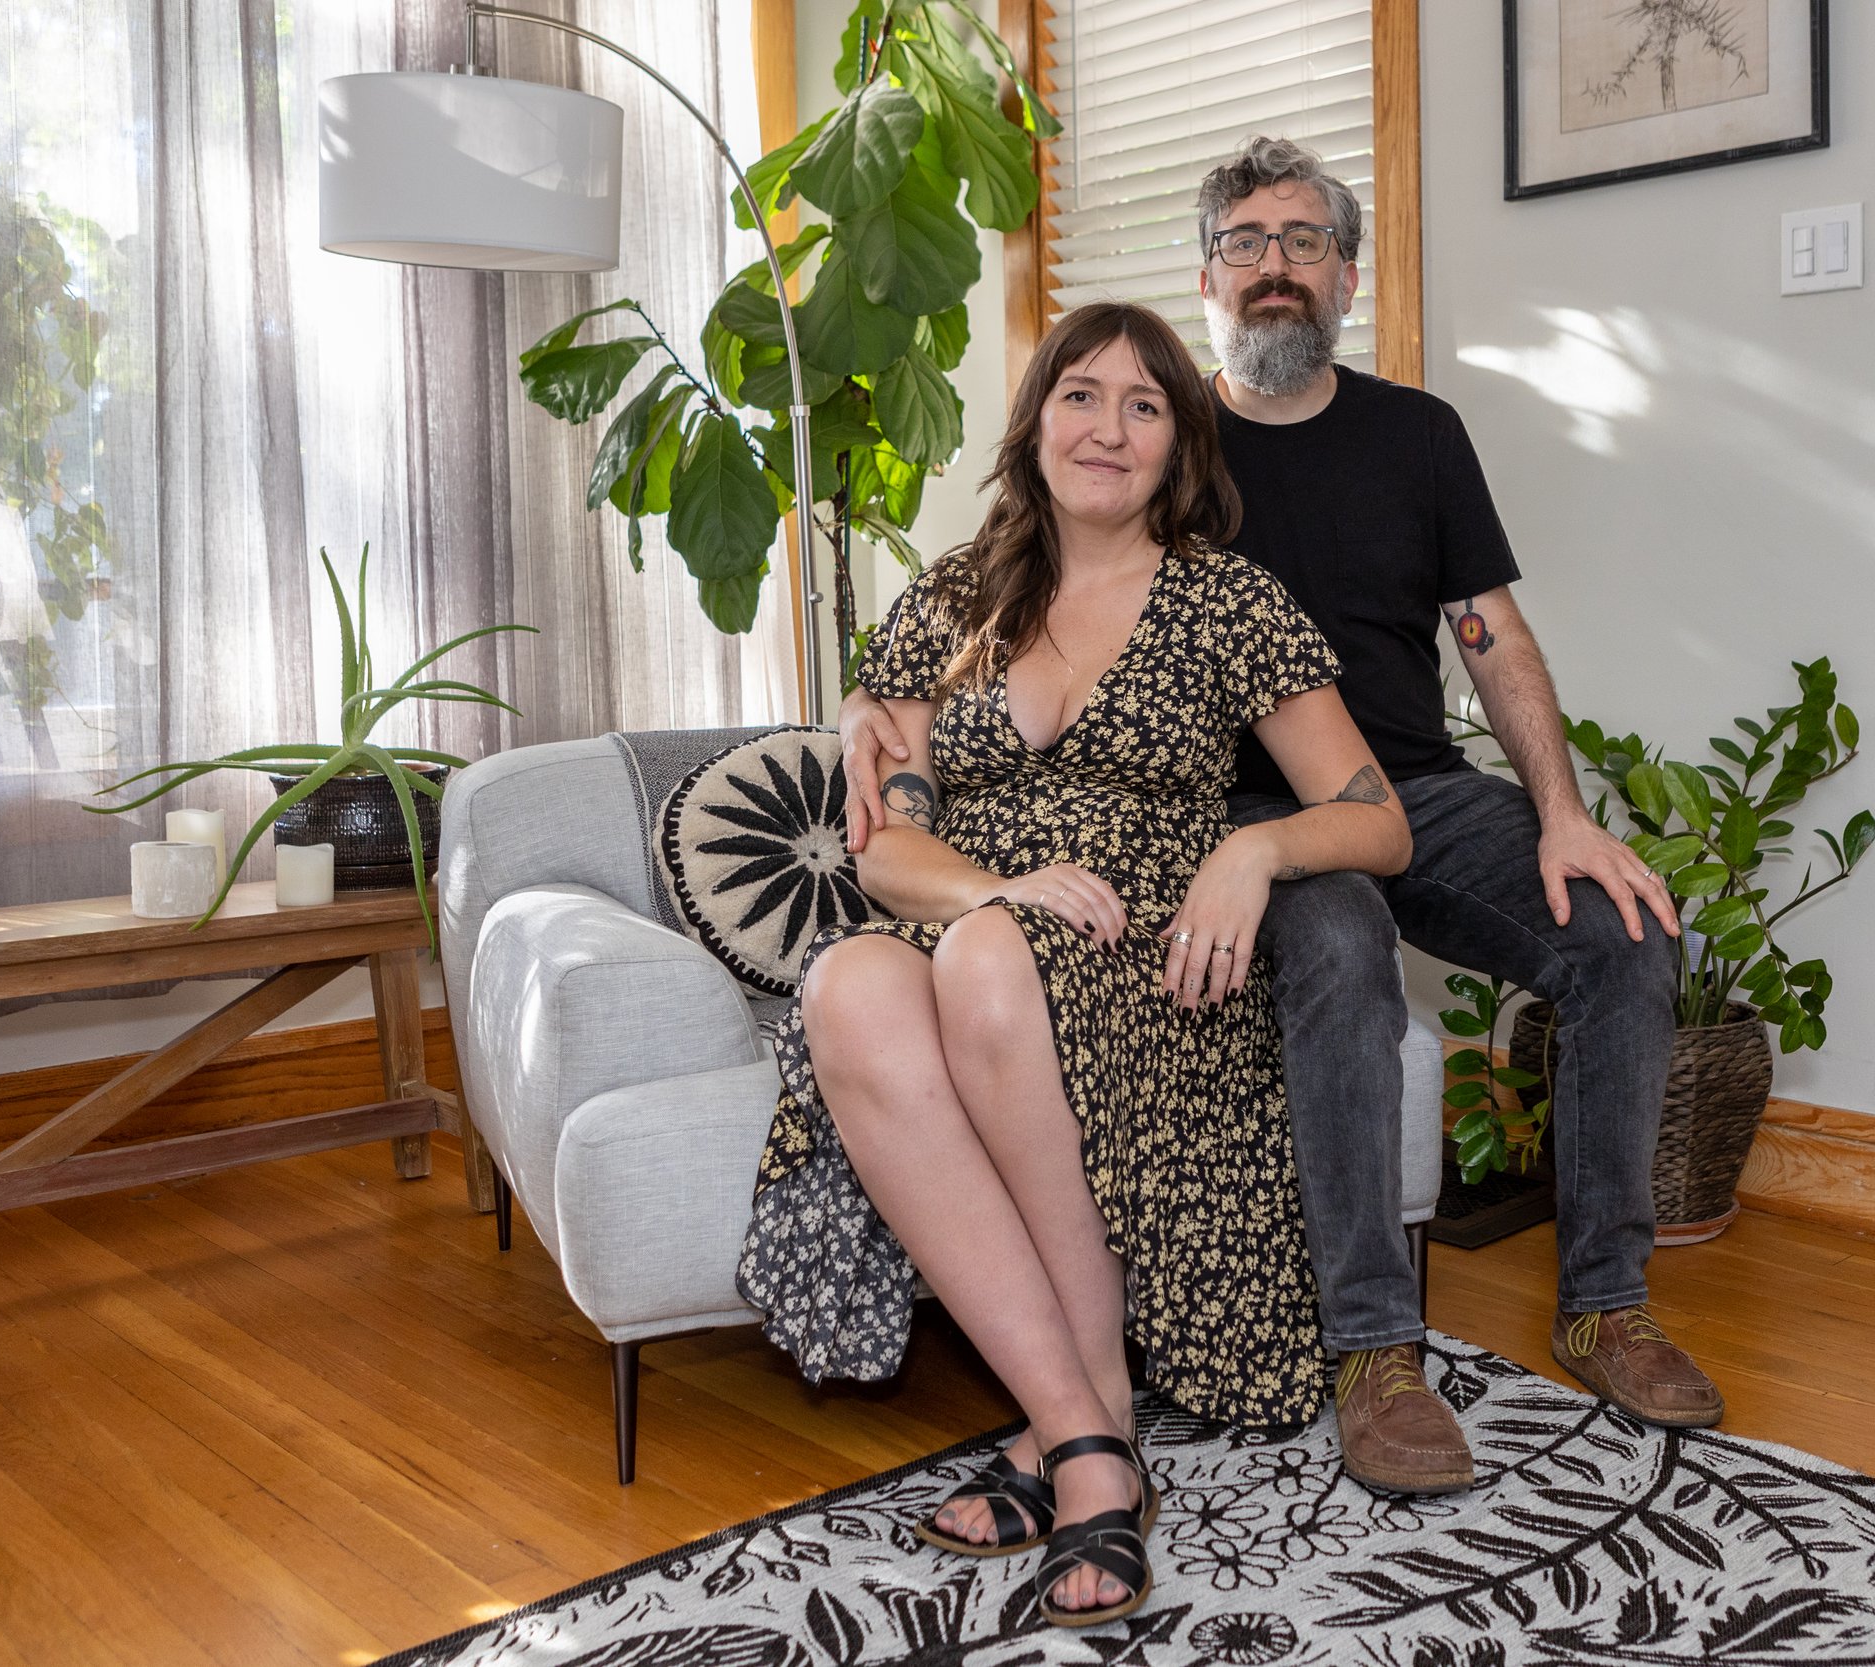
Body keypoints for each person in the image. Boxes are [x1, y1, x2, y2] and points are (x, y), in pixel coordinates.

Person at [843, 137, 1727, 1483]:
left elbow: (1489, 634)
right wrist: (870, 705)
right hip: (1223, 809)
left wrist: (1562, 813)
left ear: (1345, 277)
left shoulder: (1417, 436)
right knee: (1339, 949)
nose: (1274, 265)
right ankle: (1375, 1351)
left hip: (1409, 787)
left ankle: (1607, 1302)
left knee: (1622, 933)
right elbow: (994, 616)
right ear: (1206, 278)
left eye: (1303, 241)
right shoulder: (1157, 443)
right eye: (1245, 243)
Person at [736, 300, 1411, 1629]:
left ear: (1179, 443)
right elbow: (888, 848)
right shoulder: (956, 596)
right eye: (1081, 396)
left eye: (1144, 405)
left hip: (1139, 954)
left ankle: (1078, 1439)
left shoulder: (1228, 600)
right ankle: (1087, 1424)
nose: (1109, 428)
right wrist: (999, 889)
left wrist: (1255, 852)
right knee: (846, 984)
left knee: (986, 962)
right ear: (1036, 421)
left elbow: (1378, 819)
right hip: (974, 915)